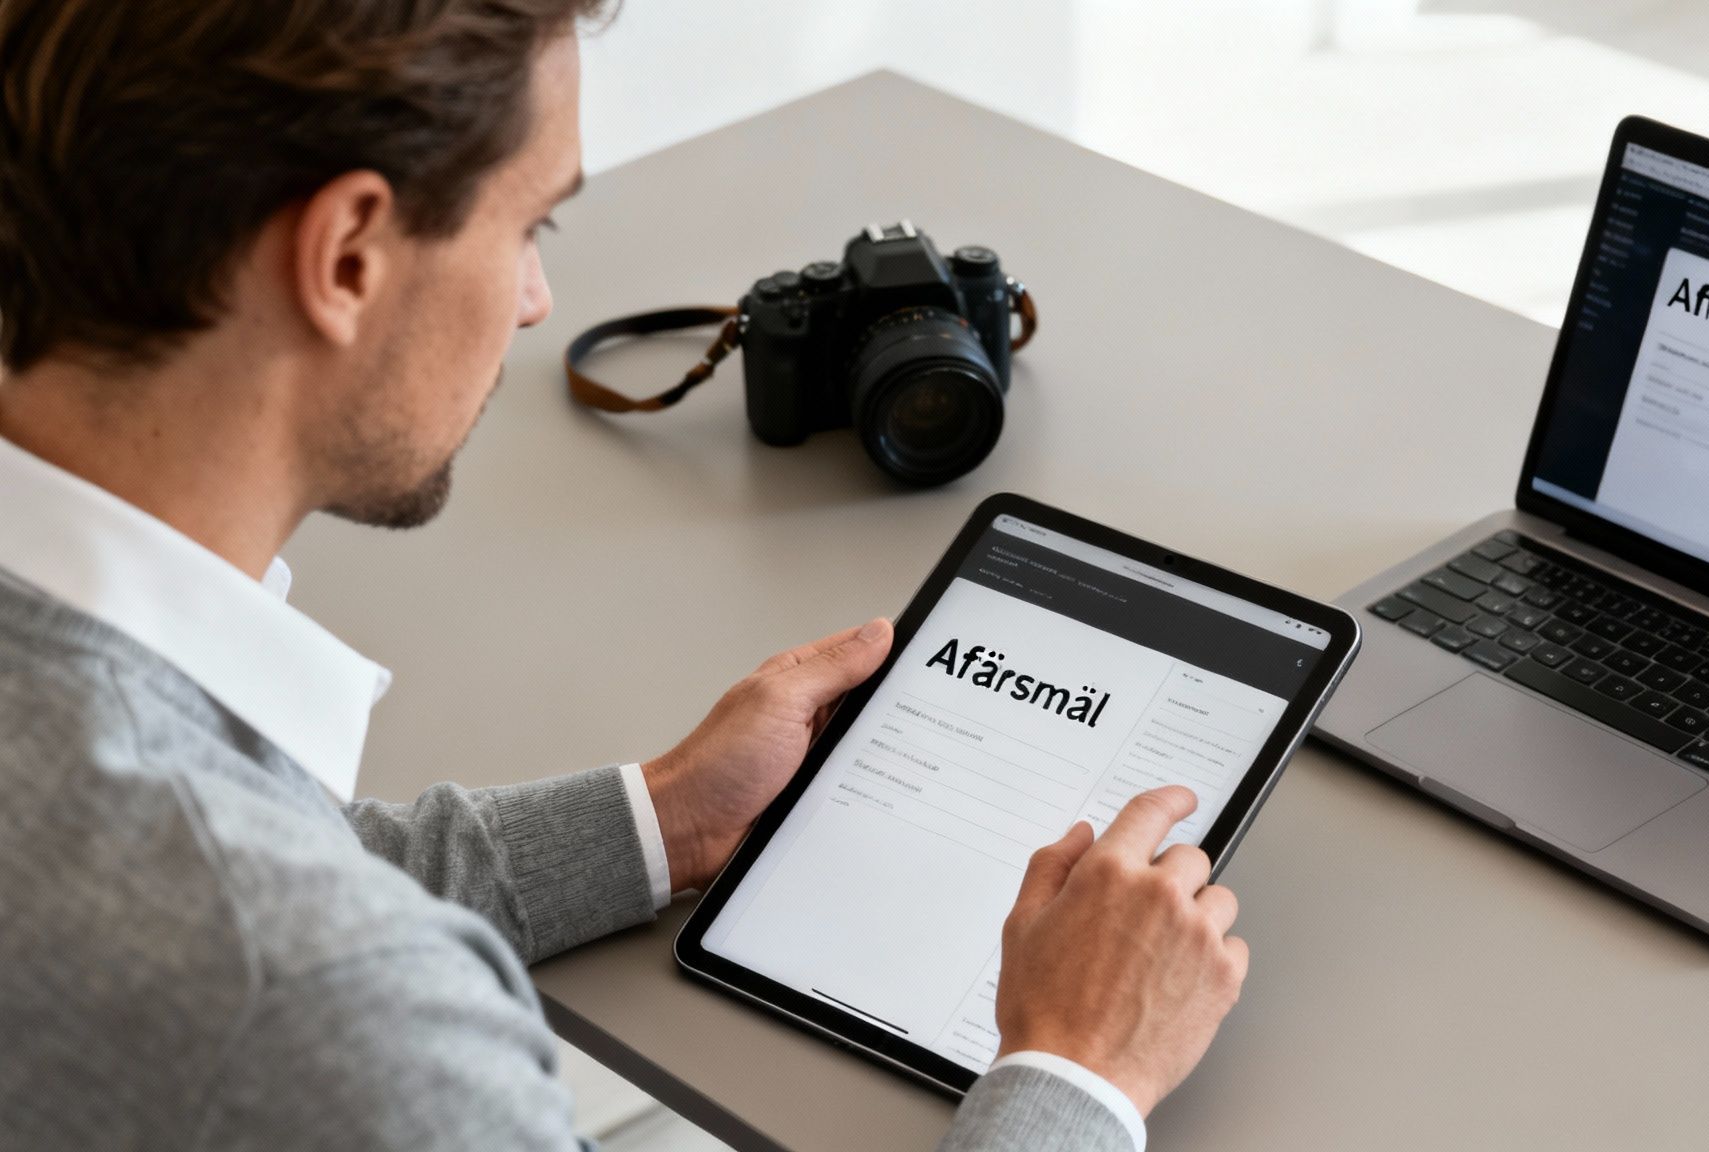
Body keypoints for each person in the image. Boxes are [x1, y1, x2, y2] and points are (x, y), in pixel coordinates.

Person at [0, 2, 1250, 1149]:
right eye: (528, 224)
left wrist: (664, 814)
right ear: (346, 258)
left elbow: (263, 859)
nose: (539, 301)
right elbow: (282, 954)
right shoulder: (341, 1030)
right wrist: (1077, 1070)